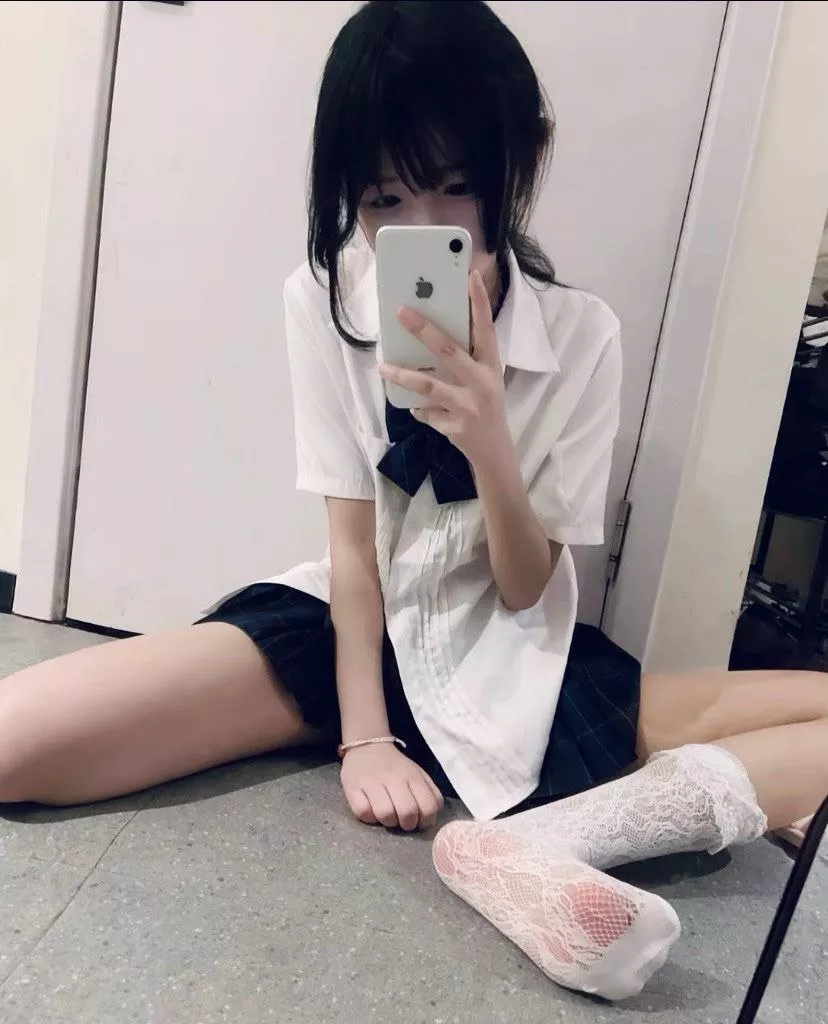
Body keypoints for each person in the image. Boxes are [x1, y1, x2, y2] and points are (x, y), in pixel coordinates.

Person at [0, 0, 825, 1002]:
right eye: (385, 197)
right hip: (350, 630)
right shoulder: (323, 301)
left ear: (521, 160)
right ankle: (549, 831)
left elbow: (525, 590)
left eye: (457, 186)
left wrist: (490, 441)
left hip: (511, 663)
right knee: (14, 741)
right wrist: (365, 736)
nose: (423, 229)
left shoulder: (582, 337)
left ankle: (539, 842)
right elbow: (352, 551)